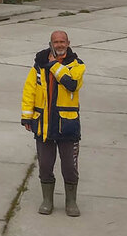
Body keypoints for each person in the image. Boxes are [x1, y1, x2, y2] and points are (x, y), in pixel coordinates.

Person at [21, 29, 86, 216]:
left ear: (68, 43)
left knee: (70, 167)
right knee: (45, 165)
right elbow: (29, 91)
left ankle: (71, 202)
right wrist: (27, 116)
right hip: (44, 125)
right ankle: (47, 200)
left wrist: (53, 64)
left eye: (62, 41)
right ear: (51, 44)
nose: (59, 45)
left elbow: (71, 84)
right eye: (56, 42)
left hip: (68, 126)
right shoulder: (38, 66)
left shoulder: (77, 65)